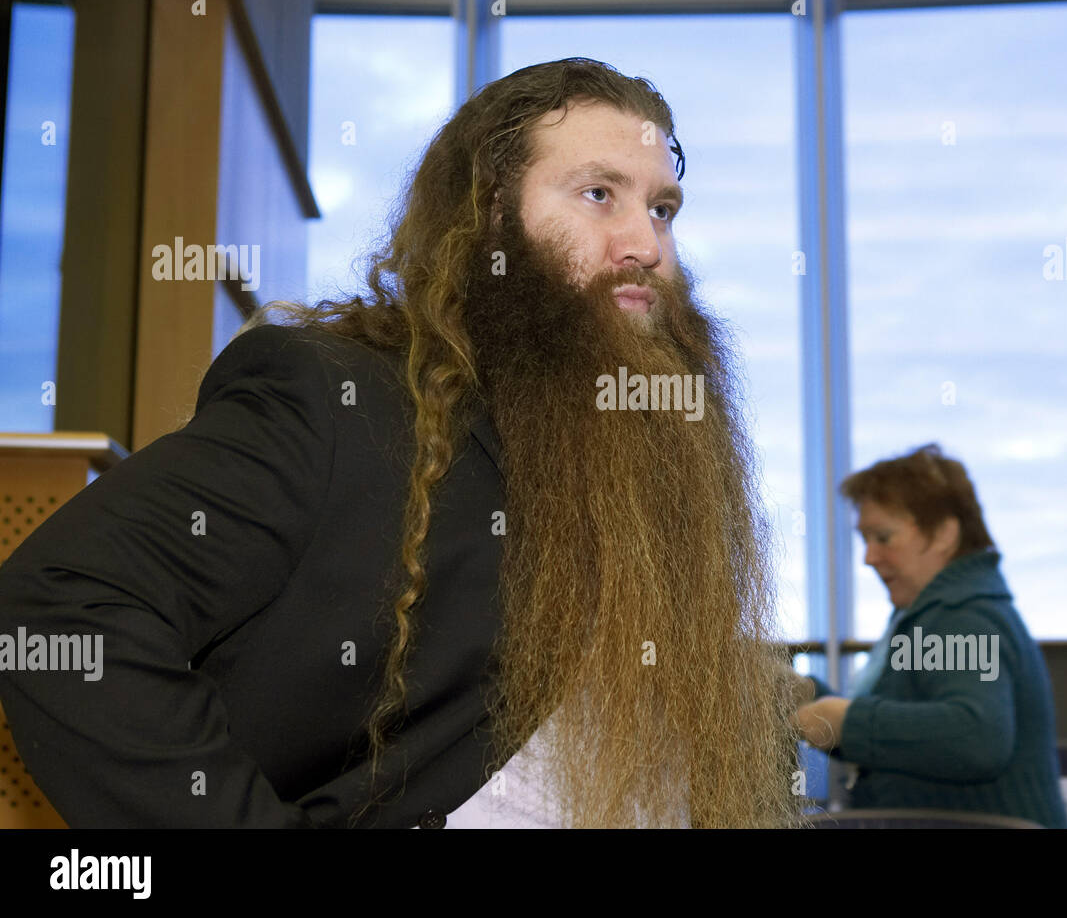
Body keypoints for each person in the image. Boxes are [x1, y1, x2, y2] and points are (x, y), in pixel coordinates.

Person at [0, 57, 805, 829]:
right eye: (599, 194)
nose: (647, 245)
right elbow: (57, 608)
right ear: (490, 214)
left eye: (662, 209)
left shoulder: (641, 454)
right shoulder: (332, 401)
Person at [794, 443, 1067, 828]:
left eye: (884, 537)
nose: (869, 557)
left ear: (943, 534)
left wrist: (848, 722)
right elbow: (909, 736)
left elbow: (977, 738)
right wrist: (810, 695)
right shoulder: (929, 614)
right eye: (865, 538)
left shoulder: (963, 615)